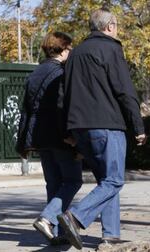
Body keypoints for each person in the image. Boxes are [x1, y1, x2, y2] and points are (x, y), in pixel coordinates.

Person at [57, 8, 147, 250]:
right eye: (116, 25)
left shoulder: (75, 54)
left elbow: (63, 95)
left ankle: (111, 235)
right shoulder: (111, 48)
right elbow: (125, 90)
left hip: (80, 128)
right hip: (107, 125)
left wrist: (68, 131)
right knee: (115, 181)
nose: (117, 29)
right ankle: (74, 217)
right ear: (109, 27)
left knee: (106, 182)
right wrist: (138, 126)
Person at [16, 32, 83, 245]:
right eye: (70, 48)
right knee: (72, 180)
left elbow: (26, 108)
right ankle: (47, 218)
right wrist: (71, 135)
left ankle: (55, 233)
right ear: (63, 49)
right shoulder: (61, 73)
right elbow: (62, 106)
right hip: (58, 134)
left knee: (53, 183)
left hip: (39, 136)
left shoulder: (35, 73)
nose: (71, 52)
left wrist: (24, 141)